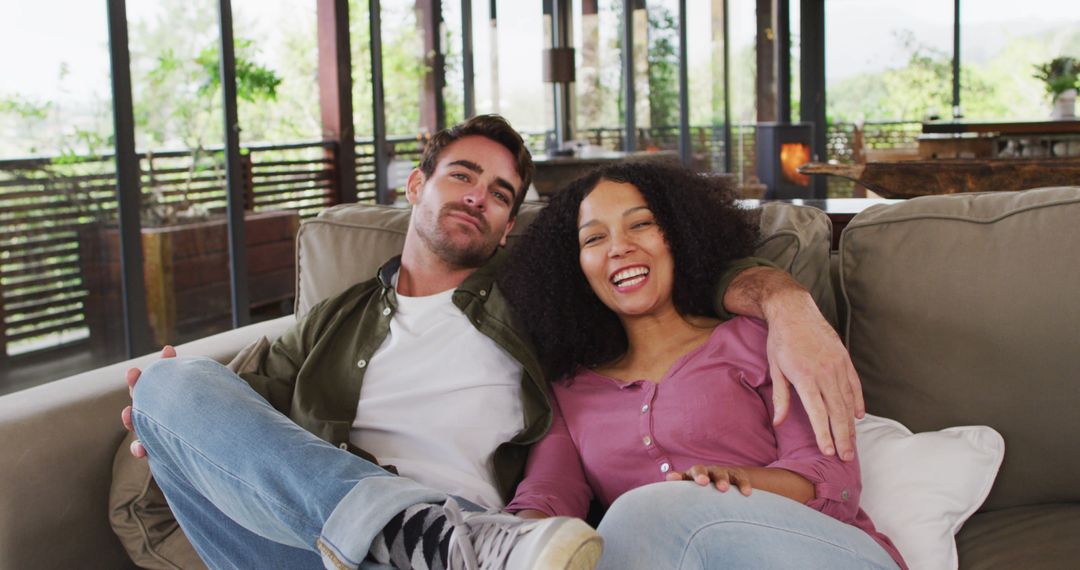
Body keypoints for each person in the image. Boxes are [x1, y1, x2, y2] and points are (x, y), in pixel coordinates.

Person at [120, 115, 865, 570]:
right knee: (166, 386)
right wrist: (169, 424)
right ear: (416, 185)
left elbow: (668, 275)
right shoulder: (332, 319)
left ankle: (435, 538)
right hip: (326, 541)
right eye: (462, 175)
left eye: (501, 192)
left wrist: (785, 300)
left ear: (513, 229)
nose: (478, 195)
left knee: (626, 518)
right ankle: (401, 533)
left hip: (468, 539)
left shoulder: (532, 290)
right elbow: (239, 416)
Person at [498, 162, 906, 569]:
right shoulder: (569, 391)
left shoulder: (757, 339)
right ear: (576, 269)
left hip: (824, 553)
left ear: (678, 234)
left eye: (640, 225)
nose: (618, 247)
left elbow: (833, 478)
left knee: (644, 512)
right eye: (594, 238)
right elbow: (546, 497)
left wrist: (731, 484)